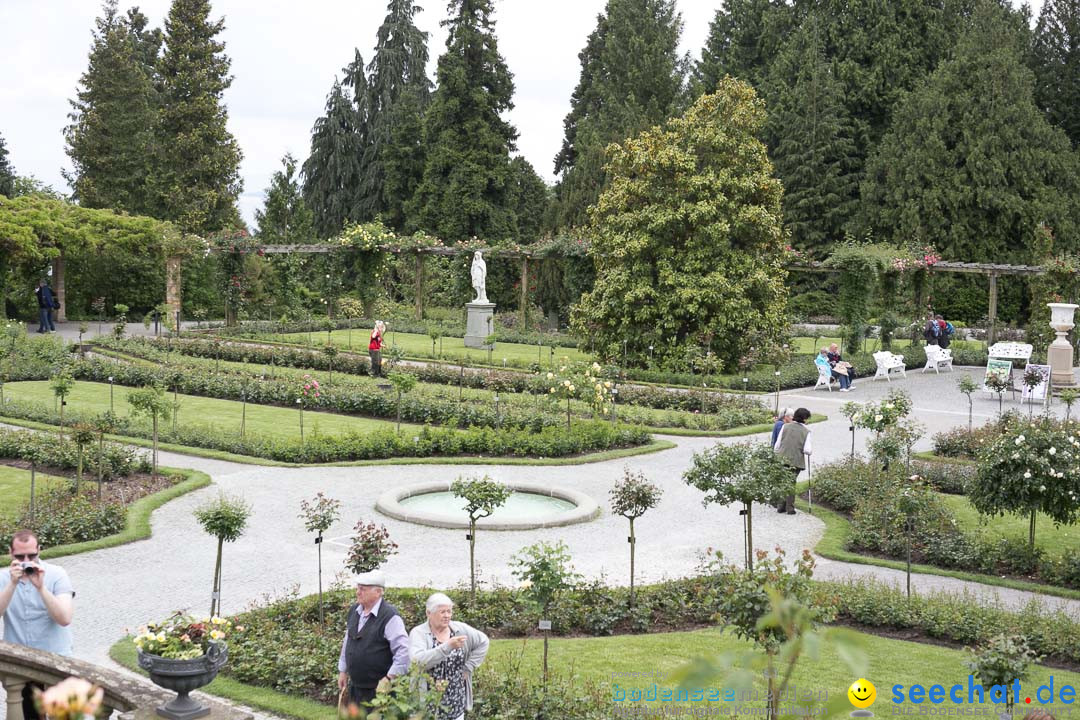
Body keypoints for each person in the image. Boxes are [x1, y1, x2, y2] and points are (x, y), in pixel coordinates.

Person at [0, 530, 75, 720]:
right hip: (22, 663)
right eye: (20, 556)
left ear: (39, 550)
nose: (27, 561)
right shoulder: (2, 578)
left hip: (56, 660)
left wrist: (41, 588)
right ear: (10, 553)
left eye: (32, 555)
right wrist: (12, 585)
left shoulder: (57, 574)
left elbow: (65, 618)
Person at [408, 592, 490, 720]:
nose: (447, 616)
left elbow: (483, 641)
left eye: (449, 611)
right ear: (429, 613)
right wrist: (447, 647)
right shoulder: (419, 633)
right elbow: (418, 661)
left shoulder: (459, 629)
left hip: (456, 703)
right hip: (428, 704)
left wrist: (468, 668)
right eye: (442, 612)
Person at [337, 570, 409, 705]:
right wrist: (343, 670)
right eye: (358, 588)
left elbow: (403, 651)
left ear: (378, 592)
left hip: (379, 691)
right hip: (356, 687)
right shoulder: (355, 611)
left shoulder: (390, 616)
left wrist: (389, 679)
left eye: (362, 589)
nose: (358, 592)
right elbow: (348, 641)